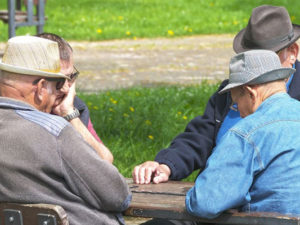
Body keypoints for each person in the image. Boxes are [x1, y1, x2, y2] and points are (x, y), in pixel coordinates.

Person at [133, 5, 300, 185]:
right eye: (250, 56)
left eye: (268, 56)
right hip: (217, 196)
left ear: (292, 53)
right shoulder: (233, 90)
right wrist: (166, 165)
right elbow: (200, 137)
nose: (258, 66)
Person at [0, 36, 131, 225]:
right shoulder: (54, 132)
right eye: (59, 84)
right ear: (41, 87)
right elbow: (118, 196)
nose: (65, 89)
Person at [186, 50, 300, 219]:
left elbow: (205, 203)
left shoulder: (246, 133)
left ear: (250, 93)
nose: (238, 110)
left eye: (236, 101)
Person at [36, 33, 114, 163]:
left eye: (71, 77)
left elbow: (105, 162)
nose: (66, 88)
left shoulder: (73, 106)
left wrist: (69, 114)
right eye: (59, 80)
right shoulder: (17, 111)